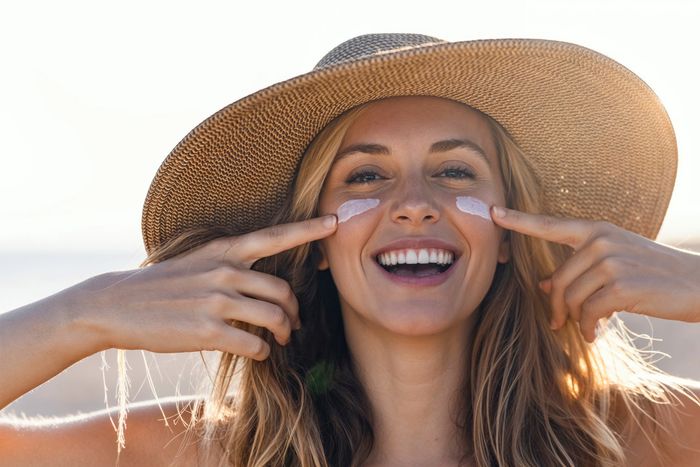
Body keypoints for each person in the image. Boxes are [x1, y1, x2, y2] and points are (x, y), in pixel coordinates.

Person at [1, 33, 700, 467]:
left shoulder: (641, 438)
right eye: (366, 175)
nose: (414, 201)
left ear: (513, 235)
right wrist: (85, 313)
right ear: (316, 245)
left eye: (455, 171)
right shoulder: (211, 453)